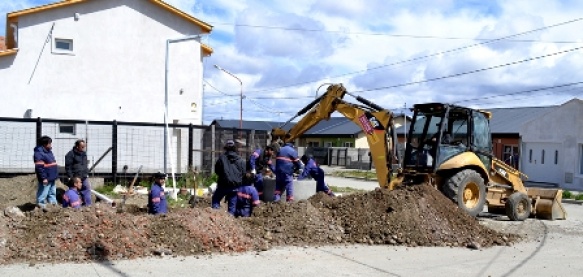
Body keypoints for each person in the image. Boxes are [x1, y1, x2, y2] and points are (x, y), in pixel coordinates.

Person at [212, 139, 245, 215]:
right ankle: (230, 221)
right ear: (234, 148)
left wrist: (224, 176)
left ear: (226, 148)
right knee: (232, 206)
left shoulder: (221, 159)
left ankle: (215, 216)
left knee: (216, 199)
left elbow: (217, 171)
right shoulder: (240, 160)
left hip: (223, 185)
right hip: (235, 187)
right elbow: (243, 173)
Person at [33, 135, 58, 210]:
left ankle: (53, 204)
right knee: (43, 192)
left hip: (51, 176)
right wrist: (44, 178)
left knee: (52, 191)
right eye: (49, 143)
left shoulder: (49, 152)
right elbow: (39, 167)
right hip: (46, 177)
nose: (50, 145)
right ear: (44, 144)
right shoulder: (39, 153)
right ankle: (41, 204)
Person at [65, 139, 92, 206]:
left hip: (84, 176)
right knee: (74, 192)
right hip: (75, 177)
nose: (84, 148)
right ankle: (74, 206)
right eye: (82, 147)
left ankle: (88, 206)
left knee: (86, 189)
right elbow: (68, 167)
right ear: (77, 146)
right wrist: (70, 177)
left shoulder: (84, 154)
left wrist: (86, 173)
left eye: (84, 146)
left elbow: (85, 164)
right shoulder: (70, 154)